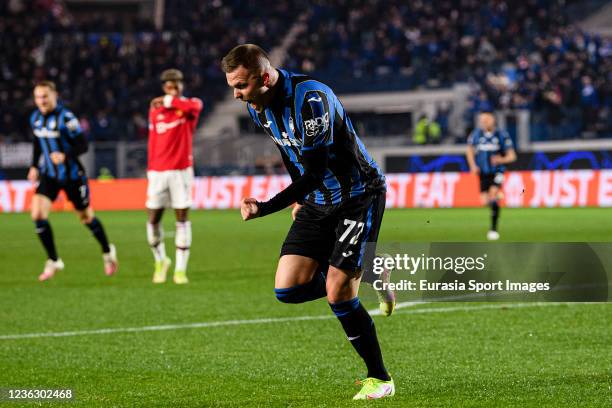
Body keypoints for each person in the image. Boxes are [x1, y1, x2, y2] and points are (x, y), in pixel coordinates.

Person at [222, 44, 395, 400]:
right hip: (317, 199)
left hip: (358, 196)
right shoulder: (260, 107)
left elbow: (315, 169)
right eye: (232, 87)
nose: (236, 95)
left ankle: (380, 378)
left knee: (338, 294)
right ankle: (367, 269)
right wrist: (299, 199)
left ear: (265, 77)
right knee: (288, 289)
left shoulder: (311, 100)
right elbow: (290, 154)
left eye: (241, 86)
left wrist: (265, 207)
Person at [28, 81, 118, 281]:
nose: (41, 100)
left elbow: (83, 144)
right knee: (37, 214)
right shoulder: (34, 118)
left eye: (45, 96)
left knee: (86, 217)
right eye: (38, 97)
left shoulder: (66, 118)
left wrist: (65, 155)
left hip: (72, 176)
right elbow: (37, 143)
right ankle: (53, 260)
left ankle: (107, 251)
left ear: (54, 95)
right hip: (49, 175)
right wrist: (34, 165)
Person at [146, 69, 203, 284]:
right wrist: (150, 168)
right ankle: (161, 261)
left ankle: (180, 270)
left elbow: (194, 106)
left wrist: (170, 100)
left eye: (177, 85)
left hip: (181, 171)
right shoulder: (155, 111)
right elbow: (152, 142)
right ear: (164, 87)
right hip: (157, 172)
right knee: (153, 221)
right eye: (169, 86)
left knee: (182, 219)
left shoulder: (190, 106)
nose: (174, 89)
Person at [466, 111, 516, 240]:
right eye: (482, 119)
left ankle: (493, 230)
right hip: (483, 173)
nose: (484, 122)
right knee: (484, 201)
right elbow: (469, 150)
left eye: (486, 119)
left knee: (493, 193)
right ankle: (498, 197)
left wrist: (501, 160)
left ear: (493, 119)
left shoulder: (501, 135)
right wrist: (472, 165)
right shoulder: (476, 134)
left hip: (497, 171)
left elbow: (512, 156)